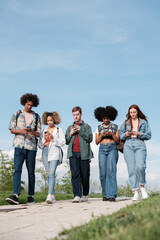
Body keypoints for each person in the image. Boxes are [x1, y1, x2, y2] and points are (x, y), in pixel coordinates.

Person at [6, 93, 41, 204]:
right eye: (27, 104)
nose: (29, 107)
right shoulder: (16, 114)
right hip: (19, 145)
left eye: (31, 105)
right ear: (24, 103)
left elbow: (39, 133)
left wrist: (32, 132)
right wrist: (21, 131)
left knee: (31, 171)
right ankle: (16, 195)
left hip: (31, 147)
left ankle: (30, 196)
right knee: (17, 169)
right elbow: (11, 129)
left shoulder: (36, 116)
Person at [119, 104, 151, 201]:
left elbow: (149, 135)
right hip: (128, 145)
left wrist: (139, 133)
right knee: (131, 169)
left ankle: (142, 187)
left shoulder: (143, 122)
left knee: (140, 166)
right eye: (131, 112)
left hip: (139, 144)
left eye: (134, 112)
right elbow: (120, 136)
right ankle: (135, 192)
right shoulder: (126, 122)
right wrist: (125, 134)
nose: (132, 114)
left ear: (137, 112)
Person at [65, 106, 93, 203]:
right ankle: (77, 195)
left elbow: (90, 138)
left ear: (81, 114)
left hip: (84, 153)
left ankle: (85, 194)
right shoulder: (69, 127)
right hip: (73, 154)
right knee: (75, 175)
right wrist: (70, 133)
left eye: (77, 114)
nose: (76, 117)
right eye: (74, 115)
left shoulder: (86, 127)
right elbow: (66, 141)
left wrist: (80, 130)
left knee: (85, 175)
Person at [39, 111, 65, 204]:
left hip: (54, 152)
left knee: (52, 173)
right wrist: (44, 139)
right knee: (48, 174)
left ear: (54, 120)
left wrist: (53, 138)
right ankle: (53, 195)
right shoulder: (44, 129)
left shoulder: (58, 130)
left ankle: (49, 195)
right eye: (48, 120)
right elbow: (40, 145)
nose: (49, 122)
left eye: (51, 120)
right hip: (45, 152)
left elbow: (62, 142)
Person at [94, 106, 119, 202]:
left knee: (111, 171)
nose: (106, 120)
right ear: (101, 118)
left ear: (110, 117)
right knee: (103, 173)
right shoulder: (98, 127)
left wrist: (112, 134)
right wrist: (102, 135)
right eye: (104, 118)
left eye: (107, 118)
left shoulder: (115, 126)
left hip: (112, 148)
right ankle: (105, 194)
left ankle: (112, 195)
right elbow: (96, 141)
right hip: (102, 149)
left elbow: (117, 140)